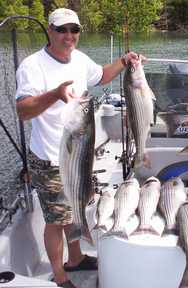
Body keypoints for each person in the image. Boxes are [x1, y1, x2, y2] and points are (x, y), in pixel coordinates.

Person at [15, 8, 140, 288]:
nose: (69, 36)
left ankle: (76, 258)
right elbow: (23, 110)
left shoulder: (80, 59)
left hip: (80, 154)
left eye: (74, 30)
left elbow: (101, 77)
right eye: (62, 30)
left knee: (75, 206)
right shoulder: (33, 66)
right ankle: (60, 277)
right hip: (49, 157)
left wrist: (123, 60)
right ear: (50, 30)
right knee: (56, 219)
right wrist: (55, 94)